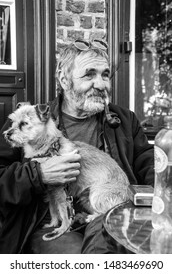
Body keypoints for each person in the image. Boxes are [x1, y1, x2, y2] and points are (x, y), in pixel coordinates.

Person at [0, 39, 154, 254]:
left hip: (105, 212)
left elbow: (150, 164)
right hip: (48, 220)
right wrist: (38, 174)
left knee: (105, 250)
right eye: (89, 74)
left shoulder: (124, 120)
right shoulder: (26, 121)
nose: (101, 84)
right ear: (64, 79)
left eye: (105, 74)